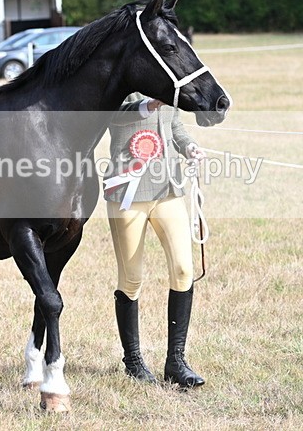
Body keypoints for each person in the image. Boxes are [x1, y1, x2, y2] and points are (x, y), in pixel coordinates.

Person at [104, 92, 206, 388]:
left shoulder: (166, 85)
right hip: (128, 192)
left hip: (168, 188)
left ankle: (176, 361)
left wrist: (189, 147)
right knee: (132, 278)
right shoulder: (123, 85)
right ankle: (133, 361)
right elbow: (111, 117)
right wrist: (147, 106)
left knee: (184, 270)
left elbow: (175, 127)